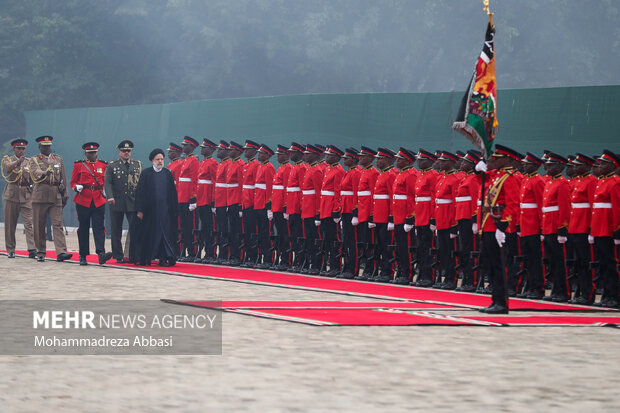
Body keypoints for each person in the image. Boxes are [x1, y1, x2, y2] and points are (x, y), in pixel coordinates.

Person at [478, 144, 521, 314]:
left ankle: (502, 303)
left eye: (497, 159)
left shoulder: (509, 178)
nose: (493, 161)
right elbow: (483, 177)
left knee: (499, 265)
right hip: (488, 224)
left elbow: (513, 204)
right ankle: (495, 300)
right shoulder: (497, 177)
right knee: (490, 265)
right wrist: (479, 169)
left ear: (507, 160)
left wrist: (502, 226)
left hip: (498, 226)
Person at [28, 136, 72, 262]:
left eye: (49, 146)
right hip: (40, 195)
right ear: (39, 147)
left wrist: (65, 193)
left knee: (58, 224)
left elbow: (63, 177)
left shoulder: (58, 159)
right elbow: (35, 173)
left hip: (55, 195)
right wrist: (44, 173)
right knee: (39, 225)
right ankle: (41, 252)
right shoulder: (34, 160)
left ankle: (61, 252)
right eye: (45, 146)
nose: (48, 148)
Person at [70, 142, 113, 265]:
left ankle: (101, 253)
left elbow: (106, 182)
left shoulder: (103, 165)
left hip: (98, 200)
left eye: (94, 152)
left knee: (99, 227)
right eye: (90, 153)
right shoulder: (79, 165)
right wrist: (75, 187)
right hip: (83, 199)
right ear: (85, 153)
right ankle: (83, 255)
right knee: (83, 227)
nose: (92, 155)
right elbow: (73, 182)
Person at [134, 148, 179, 266]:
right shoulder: (146, 173)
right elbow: (140, 193)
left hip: (165, 211)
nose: (160, 161)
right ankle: (147, 258)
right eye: (158, 159)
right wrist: (140, 210)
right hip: (150, 212)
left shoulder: (167, 174)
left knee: (165, 235)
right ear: (152, 160)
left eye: (162, 159)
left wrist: (174, 209)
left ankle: (164, 258)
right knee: (150, 234)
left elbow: (173, 193)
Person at [104, 139, 142, 264]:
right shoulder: (112, 165)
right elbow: (108, 183)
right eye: (124, 151)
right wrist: (109, 196)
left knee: (135, 229)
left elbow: (141, 184)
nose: (126, 153)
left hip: (132, 201)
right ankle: (118, 255)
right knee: (116, 230)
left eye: (128, 151)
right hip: (117, 201)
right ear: (119, 152)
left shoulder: (137, 165)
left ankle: (133, 254)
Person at [590, 150, 620, 308]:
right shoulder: (602, 181)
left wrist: (617, 230)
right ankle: (607, 295)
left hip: (609, 229)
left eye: (603, 163)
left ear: (612, 165)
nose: (599, 166)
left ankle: (614, 296)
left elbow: (617, 207)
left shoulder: (615, 182)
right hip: (599, 228)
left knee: (610, 263)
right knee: (603, 263)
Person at [541, 152, 571, 302]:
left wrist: (562, 228)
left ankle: (562, 292)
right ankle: (555, 291)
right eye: (548, 164)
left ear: (560, 167)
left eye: (551, 165)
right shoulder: (550, 182)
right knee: (552, 261)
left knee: (559, 261)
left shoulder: (562, 183)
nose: (547, 167)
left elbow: (564, 208)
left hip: (556, 227)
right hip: (548, 225)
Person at [567, 153, 597, 304]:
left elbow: (593, 206)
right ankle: (579, 292)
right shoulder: (578, 181)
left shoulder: (591, 182)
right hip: (574, 226)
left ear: (587, 166)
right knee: (578, 263)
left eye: (578, 165)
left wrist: (592, 229)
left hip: (584, 227)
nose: (575, 167)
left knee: (585, 262)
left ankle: (587, 294)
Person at [517, 152, 546, 299]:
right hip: (525, 226)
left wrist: (542, 227)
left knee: (535, 259)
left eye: (527, 163)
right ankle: (529, 286)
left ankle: (537, 288)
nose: (524, 165)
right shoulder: (526, 179)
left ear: (535, 165)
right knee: (528, 258)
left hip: (534, 226)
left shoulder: (537, 181)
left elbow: (542, 205)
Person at [2, 138, 36, 258]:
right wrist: (18, 162)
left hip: (26, 195)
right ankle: (11, 249)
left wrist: (32, 188)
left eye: (23, 149)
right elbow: (8, 168)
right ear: (14, 149)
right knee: (10, 224)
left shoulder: (29, 161)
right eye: (19, 148)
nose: (21, 151)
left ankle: (32, 249)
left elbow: (33, 177)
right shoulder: (8, 159)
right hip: (12, 195)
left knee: (29, 223)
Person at [454, 150, 482, 292]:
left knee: (471, 250)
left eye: (465, 162)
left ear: (472, 165)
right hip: (462, 217)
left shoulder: (473, 179)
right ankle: (467, 279)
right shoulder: (466, 178)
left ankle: (473, 280)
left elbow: (475, 200)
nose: (462, 163)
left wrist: (475, 220)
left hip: (469, 220)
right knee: (464, 250)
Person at [412, 149, 440, 287]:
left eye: (422, 159)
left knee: (428, 247)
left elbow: (435, 198)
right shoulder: (420, 174)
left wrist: (433, 218)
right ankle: (422, 274)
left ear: (429, 160)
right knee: (420, 247)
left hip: (427, 215)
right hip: (419, 215)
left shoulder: (433, 175)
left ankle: (429, 276)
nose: (418, 162)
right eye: (418, 159)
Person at [433, 151, 460, 289]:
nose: (441, 163)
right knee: (443, 250)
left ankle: (451, 279)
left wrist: (454, 225)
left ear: (451, 163)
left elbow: (455, 203)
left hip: (449, 220)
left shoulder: (455, 179)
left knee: (450, 251)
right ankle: (445, 278)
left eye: (444, 161)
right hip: (440, 219)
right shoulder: (441, 178)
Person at [370, 148, 398, 282]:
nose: (377, 161)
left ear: (387, 160)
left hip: (386, 217)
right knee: (379, 245)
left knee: (387, 245)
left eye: (380, 159)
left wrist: (391, 217)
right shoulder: (382, 174)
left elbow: (393, 198)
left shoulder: (391, 175)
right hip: (379, 216)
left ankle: (388, 271)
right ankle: (380, 269)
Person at [390, 148, 417, 285]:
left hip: (405, 217)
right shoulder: (401, 174)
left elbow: (411, 198)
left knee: (407, 246)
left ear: (407, 161)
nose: (397, 161)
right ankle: (401, 270)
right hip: (398, 216)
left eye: (400, 159)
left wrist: (409, 218)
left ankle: (408, 273)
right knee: (400, 246)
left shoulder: (410, 175)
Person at [353, 147, 379, 281]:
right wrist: (356, 212)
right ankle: (366, 269)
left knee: (370, 243)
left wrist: (372, 215)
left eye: (363, 156)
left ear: (370, 158)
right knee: (363, 243)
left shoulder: (373, 173)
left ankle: (371, 269)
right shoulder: (364, 172)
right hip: (362, 212)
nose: (360, 158)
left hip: (368, 213)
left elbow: (374, 196)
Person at [319, 145, 345, 277]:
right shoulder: (329, 169)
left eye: (329, 155)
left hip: (331, 209)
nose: (326, 156)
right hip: (324, 207)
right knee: (327, 239)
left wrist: (336, 210)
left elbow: (337, 192)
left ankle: (336, 266)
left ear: (335, 157)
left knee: (334, 239)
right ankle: (329, 264)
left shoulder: (338, 171)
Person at [336, 148, 362, 279]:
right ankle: (346, 266)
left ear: (353, 159)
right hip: (345, 210)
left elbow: (358, 194)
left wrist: (356, 213)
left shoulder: (356, 173)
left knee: (352, 241)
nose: (344, 160)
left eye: (347, 158)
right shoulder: (348, 172)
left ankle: (353, 268)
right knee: (346, 240)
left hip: (351, 210)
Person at [300, 144, 324, 274]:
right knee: (309, 238)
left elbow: (318, 193)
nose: (305, 155)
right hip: (306, 209)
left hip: (312, 210)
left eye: (308, 153)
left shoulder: (316, 170)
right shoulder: (310, 169)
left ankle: (316, 264)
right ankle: (311, 263)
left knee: (315, 239)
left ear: (315, 155)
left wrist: (317, 213)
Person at [194, 138, 218, 263]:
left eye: (205, 147)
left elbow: (215, 183)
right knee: (203, 228)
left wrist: (214, 201)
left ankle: (210, 253)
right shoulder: (203, 163)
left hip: (208, 201)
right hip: (201, 200)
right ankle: (203, 252)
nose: (202, 149)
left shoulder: (212, 163)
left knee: (209, 228)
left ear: (211, 149)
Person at [176, 136, 200, 261]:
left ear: (191, 147)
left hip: (188, 199)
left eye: (185, 145)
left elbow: (195, 181)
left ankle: (193, 252)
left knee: (191, 227)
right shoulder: (185, 160)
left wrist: (193, 199)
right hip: (181, 198)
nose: (183, 147)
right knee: (184, 227)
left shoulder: (193, 161)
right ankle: (185, 251)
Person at [270, 145, 292, 270]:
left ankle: (286, 260)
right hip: (276, 208)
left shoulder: (287, 168)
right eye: (277, 154)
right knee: (280, 235)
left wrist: (285, 208)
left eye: (280, 154)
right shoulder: (281, 168)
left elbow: (286, 191)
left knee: (285, 235)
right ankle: (281, 259)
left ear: (287, 155)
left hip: (282, 209)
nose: (278, 156)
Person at [253, 144, 276, 268]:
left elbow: (269, 188)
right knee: (260, 234)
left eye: (261, 153)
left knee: (266, 233)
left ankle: (268, 259)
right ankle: (260, 256)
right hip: (257, 204)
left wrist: (269, 207)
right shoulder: (261, 167)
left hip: (264, 205)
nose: (259, 155)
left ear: (267, 155)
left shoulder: (269, 168)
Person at [240, 140, 261, 267]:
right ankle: (248, 256)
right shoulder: (247, 165)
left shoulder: (256, 165)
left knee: (253, 231)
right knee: (247, 232)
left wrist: (253, 204)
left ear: (254, 151)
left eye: (248, 150)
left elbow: (256, 188)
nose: (245, 151)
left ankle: (254, 256)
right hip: (245, 203)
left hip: (252, 204)